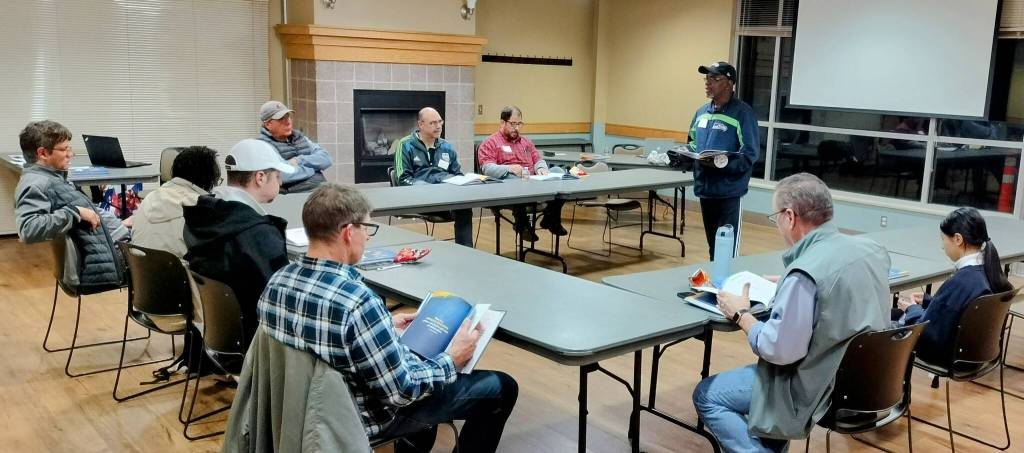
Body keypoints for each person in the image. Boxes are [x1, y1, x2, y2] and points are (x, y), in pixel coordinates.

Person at [259, 183, 518, 452]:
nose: (368, 237)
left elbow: (317, 337)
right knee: (502, 388)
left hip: (299, 411)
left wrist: (384, 326)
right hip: (358, 418)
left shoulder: (277, 281)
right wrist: (452, 360)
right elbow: (402, 393)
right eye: (367, 229)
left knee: (417, 362)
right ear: (349, 232)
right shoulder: (357, 302)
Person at [693, 173, 890, 452]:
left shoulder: (805, 274)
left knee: (708, 394)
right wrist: (790, 283)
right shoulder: (871, 250)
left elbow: (780, 351)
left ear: (789, 216)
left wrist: (741, 315)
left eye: (776, 218)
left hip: (820, 385)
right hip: (868, 380)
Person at [183, 139, 293, 344]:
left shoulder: (203, 215)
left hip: (214, 335)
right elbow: (280, 296)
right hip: (254, 342)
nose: (281, 183)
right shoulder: (256, 233)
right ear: (260, 177)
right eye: (277, 176)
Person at [15, 120, 131, 287]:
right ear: (42, 153)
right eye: (64, 149)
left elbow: (86, 215)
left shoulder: (53, 178)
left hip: (112, 249)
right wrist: (74, 212)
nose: (71, 154)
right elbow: (28, 229)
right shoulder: (37, 183)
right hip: (110, 263)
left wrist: (119, 224)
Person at [895, 207, 1013, 365]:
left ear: (958, 239)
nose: (942, 246)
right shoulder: (988, 270)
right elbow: (959, 309)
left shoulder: (961, 280)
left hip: (946, 354)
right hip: (973, 353)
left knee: (890, 319)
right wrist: (930, 301)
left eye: (943, 239)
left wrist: (911, 309)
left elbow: (930, 332)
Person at [687, 61, 760, 259]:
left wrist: (723, 164)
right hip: (705, 189)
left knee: (726, 250)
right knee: (713, 246)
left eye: (715, 79)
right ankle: (715, 288)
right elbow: (693, 143)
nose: (708, 83)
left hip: (729, 192)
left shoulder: (742, 114)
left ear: (729, 84)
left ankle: (727, 288)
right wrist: (683, 155)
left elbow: (750, 153)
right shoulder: (701, 112)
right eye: (707, 79)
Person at [477, 106, 567, 242]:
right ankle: (522, 224)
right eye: (513, 124)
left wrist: (541, 168)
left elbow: (538, 159)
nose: (517, 128)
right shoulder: (490, 142)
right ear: (503, 123)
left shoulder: (526, 142)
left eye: (519, 124)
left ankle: (550, 218)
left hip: (532, 181)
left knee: (559, 173)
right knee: (514, 180)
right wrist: (509, 168)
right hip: (507, 186)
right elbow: (487, 168)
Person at [392, 107, 474, 247]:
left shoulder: (446, 146)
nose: (438, 126)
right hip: (420, 198)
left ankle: (466, 252)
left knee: (464, 207)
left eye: (440, 121)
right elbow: (402, 178)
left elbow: (457, 175)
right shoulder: (405, 145)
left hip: (445, 197)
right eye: (433, 123)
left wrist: (465, 182)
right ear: (420, 125)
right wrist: (428, 189)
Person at [131, 146, 221, 258]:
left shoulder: (149, 197)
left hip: (140, 272)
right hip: (181, 274)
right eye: (217, 180)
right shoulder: (200, 208)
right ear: (208, 180)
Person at [258, 100, 333, 193]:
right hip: (293, 198)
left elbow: (326, 159)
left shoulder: (300, 138)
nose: (288, 122)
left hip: (320, 193)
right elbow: (281, 175)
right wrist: (314, 169)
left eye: (288, 117)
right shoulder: (262, 147)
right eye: (281, 119)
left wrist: (299, 160)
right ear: (268, 124)